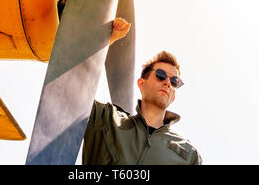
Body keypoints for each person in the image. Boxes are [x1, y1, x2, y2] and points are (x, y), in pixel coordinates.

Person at [82, 18, 202, 165]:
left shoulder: (190, 155)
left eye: (174, 81)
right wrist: (108, 39)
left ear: (173, 97)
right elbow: (74, 84)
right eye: (161, 75)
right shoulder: (106, 119)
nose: (167, 83)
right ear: (141, 83)